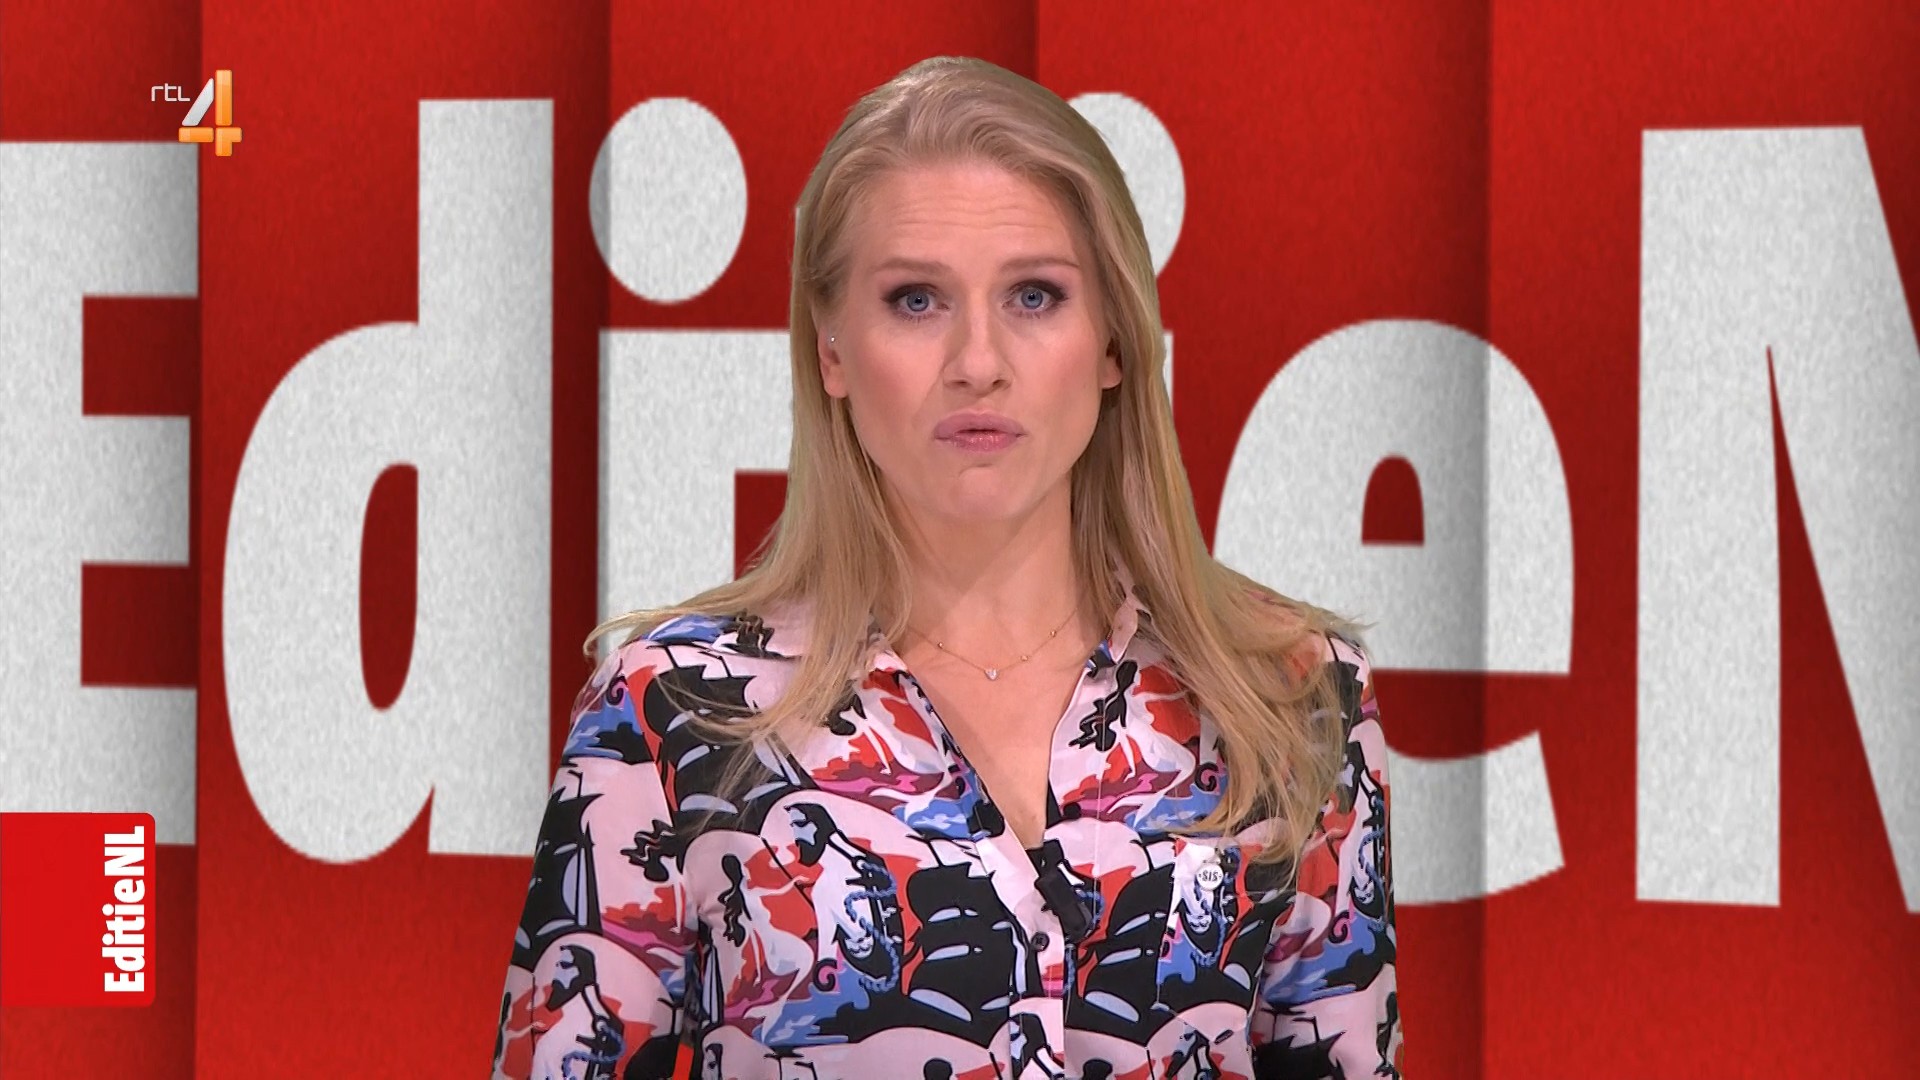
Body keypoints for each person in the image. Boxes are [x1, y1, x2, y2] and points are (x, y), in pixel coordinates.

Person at [491, 55, 1401, 1080]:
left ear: (1113, 341)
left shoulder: (1291, 695)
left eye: (1034, 296)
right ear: (832, 351)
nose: (977, 361)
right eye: (917, 299)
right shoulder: (671, 711)